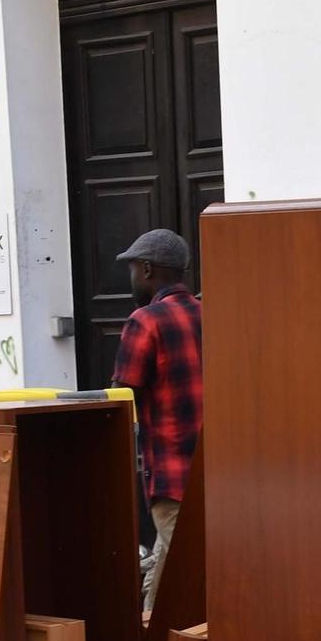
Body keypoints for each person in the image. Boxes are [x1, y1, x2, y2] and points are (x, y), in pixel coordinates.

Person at [110, 228, 202, 613]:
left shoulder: (145, 321)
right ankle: (150, 627)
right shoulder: (210, 311)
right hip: (217, 470)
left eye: (133, 268)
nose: (132, 278)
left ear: (147, 269)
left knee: (193, 571)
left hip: (172, 476)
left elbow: (120, 394)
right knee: (170, 560)